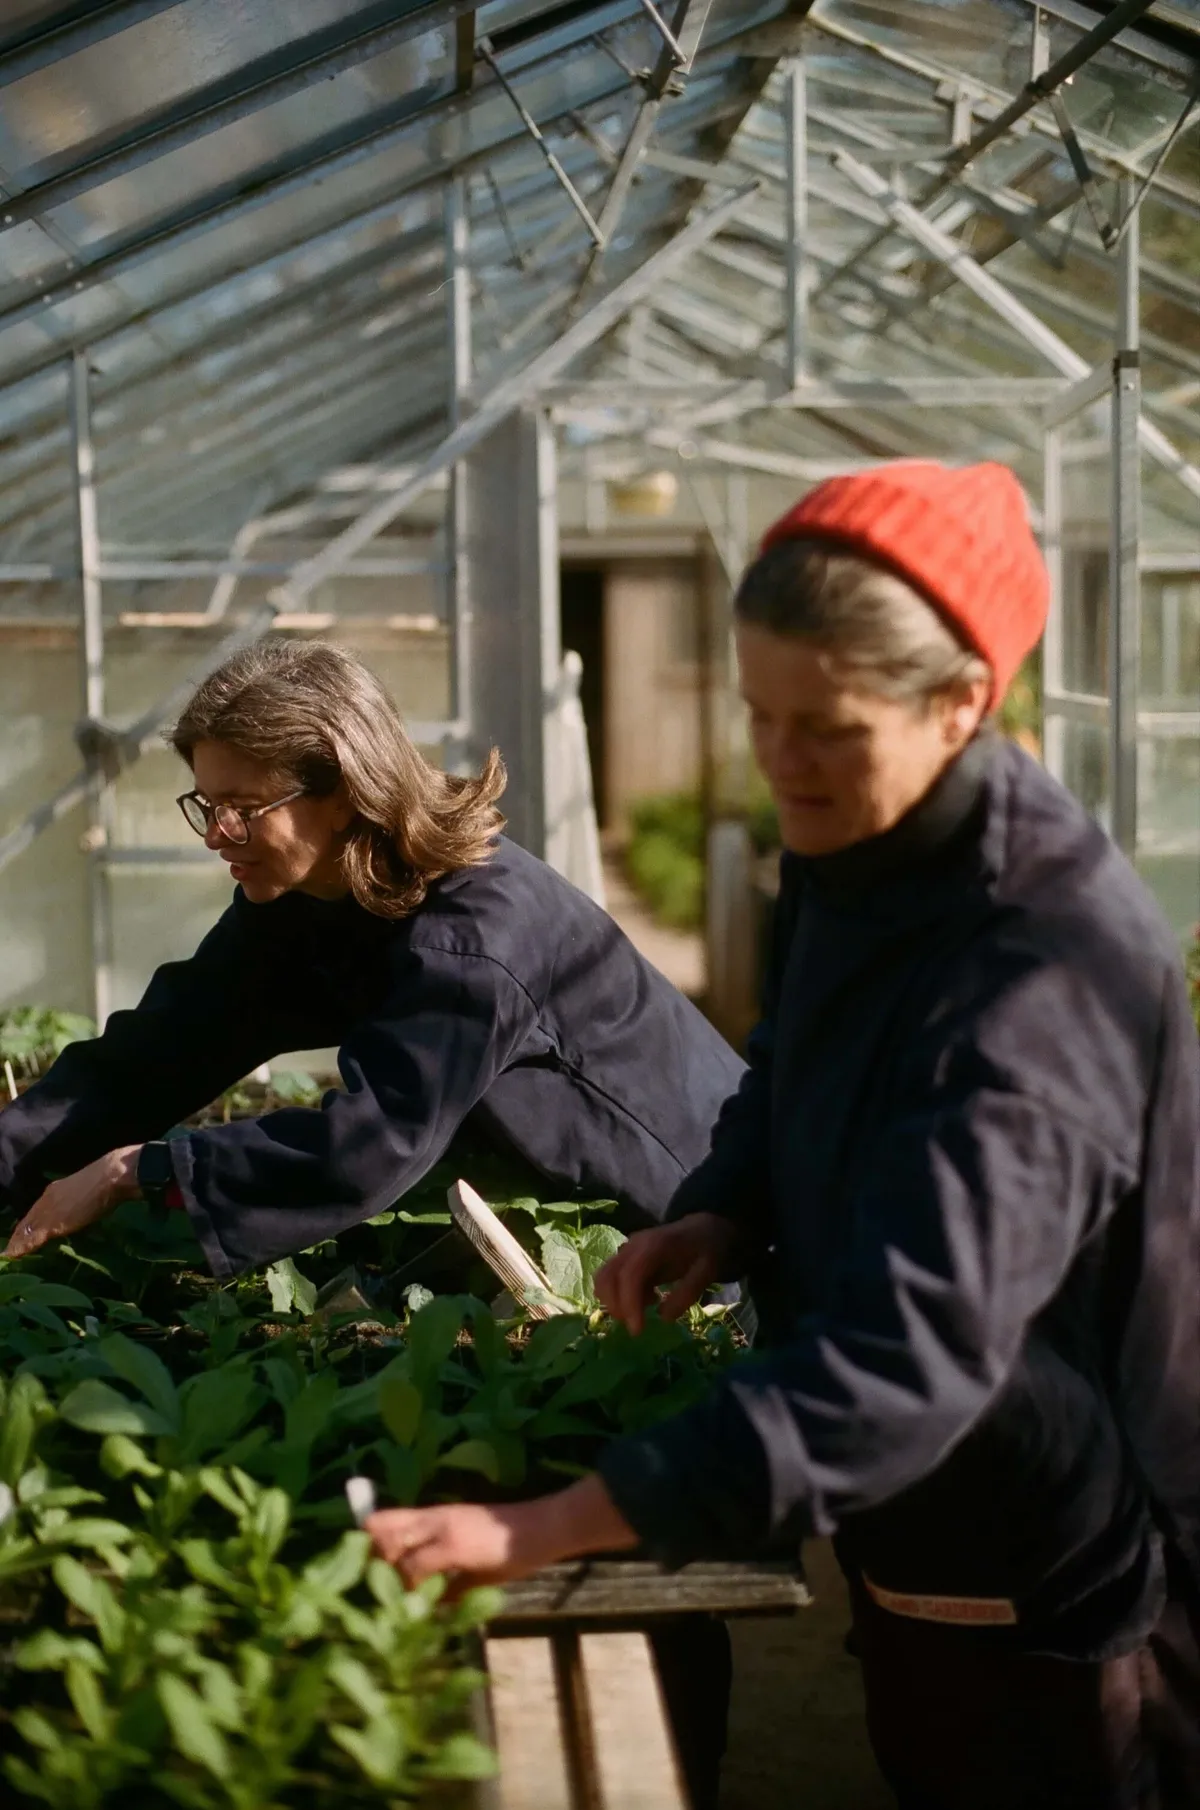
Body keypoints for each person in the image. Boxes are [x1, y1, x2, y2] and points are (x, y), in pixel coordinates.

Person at [366, 462, 1200, 1810]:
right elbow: (787, 1061)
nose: (782, 760)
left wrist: (542, 1527)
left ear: (963, 701)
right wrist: (725, 1205)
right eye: (760, 714)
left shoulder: (1041, 966)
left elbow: (910, 1361)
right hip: (924, 1517)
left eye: (828, 725)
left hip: (1064, 1564)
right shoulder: (854, 838)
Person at [0, 639, 745, 1278]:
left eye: (242, 810)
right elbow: (161, 1050)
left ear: (344, 791)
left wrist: (141, 1170)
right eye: (205, 805)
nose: (215, 834)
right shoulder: (303, 901)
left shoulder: (475, 934)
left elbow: (370, 1143)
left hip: (704, 1226)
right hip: (560, 1207)